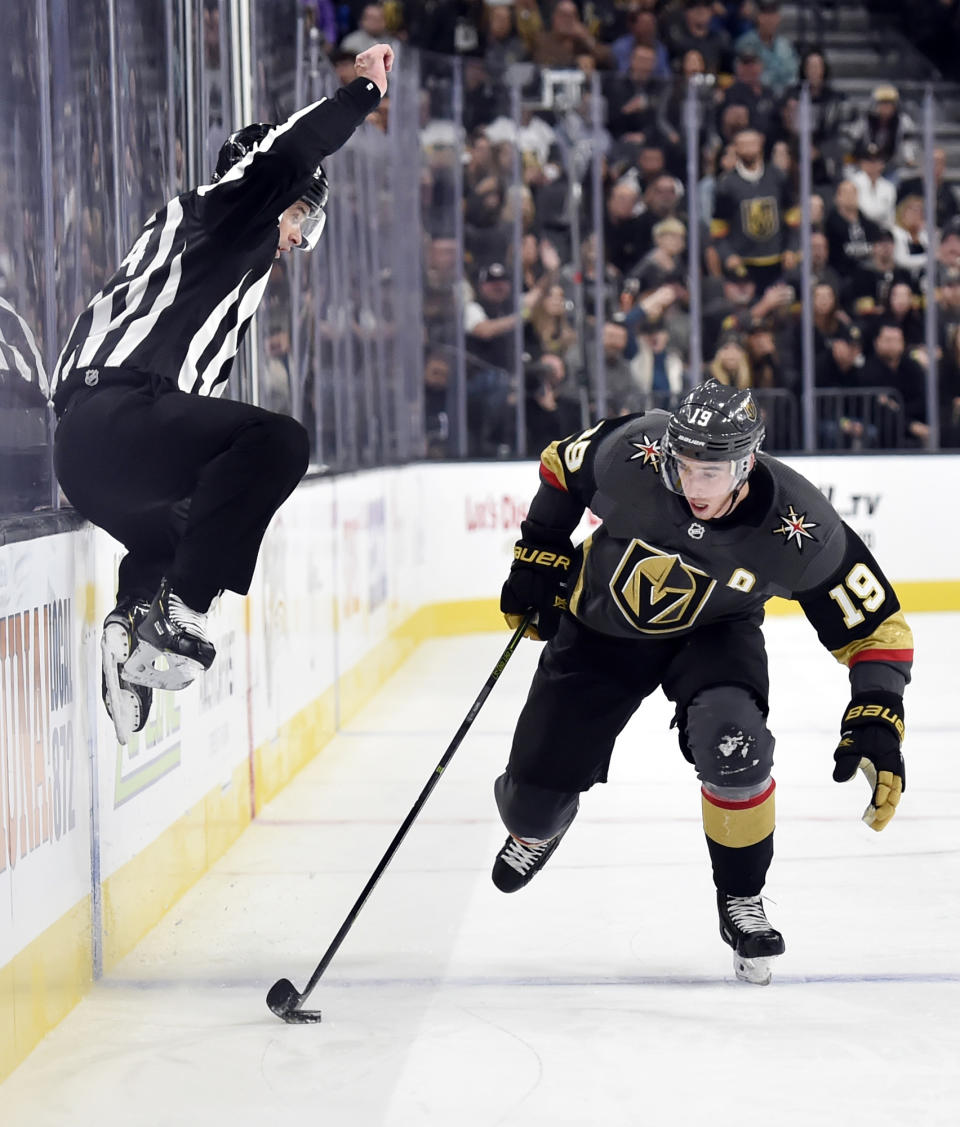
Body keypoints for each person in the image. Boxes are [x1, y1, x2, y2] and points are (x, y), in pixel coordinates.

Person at [494, 379, 911, 985]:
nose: (694, 486)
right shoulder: (633, 449)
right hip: (600, 630)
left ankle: (741, 897)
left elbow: (877, 629)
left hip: (714, 635)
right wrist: (540, 549)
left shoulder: (797, 523)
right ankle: (541, 825)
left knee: (733, 742)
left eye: (711, 473)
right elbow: (562, 465)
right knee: (527, 809)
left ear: (745, 463)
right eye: (683, 466)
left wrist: (877, 714)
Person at [50, 44, 394, 744]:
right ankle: (180, 612)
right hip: (112, 416)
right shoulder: (226, 216)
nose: (298, 237)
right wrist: (361, 93)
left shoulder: (220, 278)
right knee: (279, 441)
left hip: (95, 459)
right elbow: (286, 153)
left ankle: (132, 627)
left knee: (198, 517)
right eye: (301, 215)